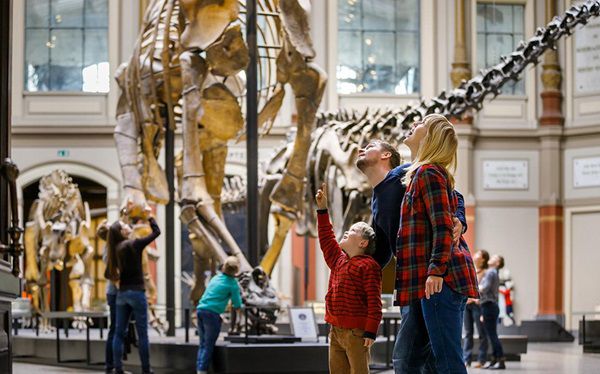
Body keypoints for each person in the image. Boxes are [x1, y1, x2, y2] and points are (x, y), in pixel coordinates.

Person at [356, 137, 468, 373]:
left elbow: (453, 194)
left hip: (430, 276)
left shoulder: (404, 173)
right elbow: (382, 252)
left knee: (409, 359)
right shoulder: (377, 199)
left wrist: (460, 220)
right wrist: (354, 274)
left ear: (386, 155)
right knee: (421, 360)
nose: (361, 149)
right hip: (412, 282)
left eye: (369, 147)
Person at [396, 114, 479, 374]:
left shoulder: (428, 172)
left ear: (431, 137)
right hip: (427, 280)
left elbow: (442, 226)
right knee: (433, 361)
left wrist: (435, 269)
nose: (414, 125)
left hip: (440, 279)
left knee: (447, 361)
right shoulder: (421, 173)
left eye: (421, 123)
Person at [315, 183, 382, 374]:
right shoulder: (338, 260)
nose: (346, 231)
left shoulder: (368, 266)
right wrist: (322, 210)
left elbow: (374, 301)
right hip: (335, 330)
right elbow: (327, 238)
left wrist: (370, 330)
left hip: (356, 333)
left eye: (352, 231)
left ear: (363, 243)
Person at [105, 214, 161, 374]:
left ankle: (118, 368)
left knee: (118, 332)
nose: (129, 226)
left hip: (122, 295)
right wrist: (150, 217)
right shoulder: (135, 244)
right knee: (143, 333)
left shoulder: (114, 249)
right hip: (137, 292)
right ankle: (146, 369)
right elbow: (156, 232)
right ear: (123, 232)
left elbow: (110, 273)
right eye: (125, 226)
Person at [196, 256, 243, 374]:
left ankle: (199, 369)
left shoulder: (216, 278)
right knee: (208, 345)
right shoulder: (233, 284)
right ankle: (202, 370)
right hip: (212, 314)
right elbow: (237, 304)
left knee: (202, 344)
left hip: (201, 310)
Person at [97, 221, 121, 374]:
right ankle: (111, 364)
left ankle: (113, 364)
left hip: (118, 292)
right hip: (116, 293)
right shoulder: (110, 249)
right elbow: (111, 273)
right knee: (115, 329)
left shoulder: (113, 248)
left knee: (118, 329)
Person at [463, 249, 490, 368]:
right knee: (468, 333)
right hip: (467, 305)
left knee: (482, 333)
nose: (475, 255)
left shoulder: (486, 273)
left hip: (478, 306)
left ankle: (482, 359)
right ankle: (466, 359)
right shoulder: (471, 269)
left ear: (483, 259)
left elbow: (485, 290)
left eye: (478, 254)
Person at [480, 255, 506, 370]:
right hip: (490, 306)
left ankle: (500, 360)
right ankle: (495, 359)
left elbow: (484, 288)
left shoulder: (490, 272)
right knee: (492, 334)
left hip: (489, 305)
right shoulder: (493, 272)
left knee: (492, 335)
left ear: (498, 263)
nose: (492, 257)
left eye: (495, 258)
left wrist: (474, 288)